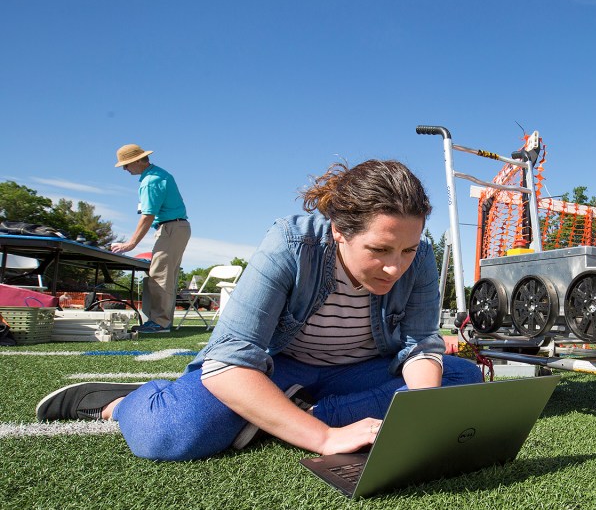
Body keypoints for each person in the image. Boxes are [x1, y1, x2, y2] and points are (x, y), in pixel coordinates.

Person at [36, 159, 482, 460]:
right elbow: (228, 361)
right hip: (272, 369)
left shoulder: (419, 257)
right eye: (380, 249)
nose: (395, 266)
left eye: (407, 249)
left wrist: (424, 412)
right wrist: (324, 438)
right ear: (340, 231)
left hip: (358, 371)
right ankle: (118, 401)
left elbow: (420, 345)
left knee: (461, 380)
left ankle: (278, 415)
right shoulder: (290, 244)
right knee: (170, 432)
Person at [110, 143, 190, 334]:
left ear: (138, 161)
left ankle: (160, 323)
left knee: (159, 275)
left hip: (171, 227)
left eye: (127, 164)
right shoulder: (156, 174)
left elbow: (147, 215)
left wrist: (130, 244)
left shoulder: (150, 181)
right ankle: (162, 321)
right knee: (165, 275)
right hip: (176, 227)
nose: (124, 168)